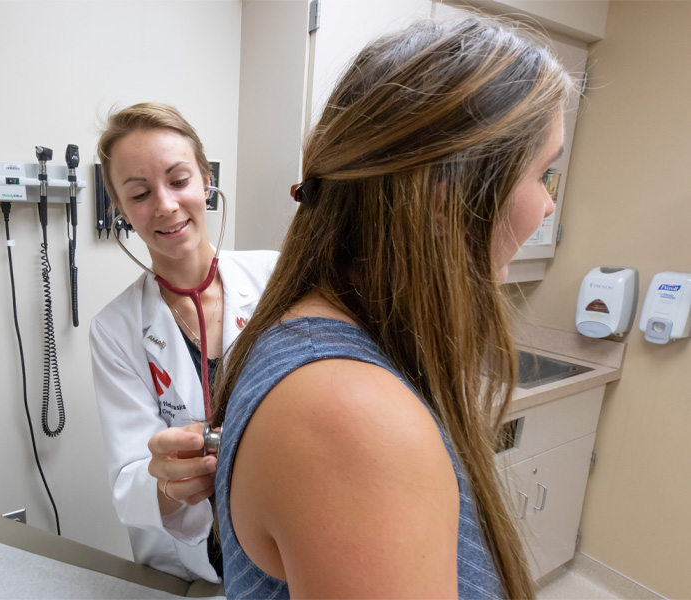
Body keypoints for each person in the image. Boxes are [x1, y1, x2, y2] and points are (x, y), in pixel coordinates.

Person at [212, 18, 576, 599]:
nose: (549, 204)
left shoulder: (322, 337)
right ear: (444, 196)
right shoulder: (352, 418)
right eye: (542, 173)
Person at [89, 102, 278, 582]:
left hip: (282, 538)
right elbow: (129, 478)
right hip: (188, 568)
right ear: (122, 210)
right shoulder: (114, 329)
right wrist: (168, 482)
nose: (166, 205)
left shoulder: (278, 278)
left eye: (178, 180)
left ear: (207, 180)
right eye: (139, 193)